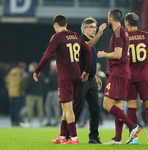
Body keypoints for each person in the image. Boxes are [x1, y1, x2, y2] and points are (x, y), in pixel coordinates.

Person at [33, 14, 92, 144]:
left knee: (67, 108)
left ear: (55, 25)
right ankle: (62, 136)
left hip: (65, 77)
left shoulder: (57, 37)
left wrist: (37, 70)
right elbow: (89, 52)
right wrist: (86, 70)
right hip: (76, 76)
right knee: (66, 107)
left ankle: (74, 138)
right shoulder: (77, 36)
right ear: (65, 24)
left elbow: (47, 55)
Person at [97, 8, 141, 145]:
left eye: (107, 16)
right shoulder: (124, 32)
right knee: (119, 107)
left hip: (118, 73)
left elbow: (117, 54)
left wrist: (103, 54)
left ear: (111, 18)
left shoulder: (117, 33)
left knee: (106, 104)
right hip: (124, 73)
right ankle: (117, 138)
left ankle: (133, 126)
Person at [66, 17, 107, 144]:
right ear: (84, 29)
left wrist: (97, 76)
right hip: (82, 79)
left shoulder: (91, 41)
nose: (94, 29)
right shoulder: (80, 40)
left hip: (91, 80)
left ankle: (93, 137)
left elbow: (91, 62)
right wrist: (100, 33)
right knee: (77, 108)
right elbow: (87, 48)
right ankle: (67, 135)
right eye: (92, 27)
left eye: (95, 27)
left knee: (95, 109)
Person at [124, 12, 148, 145]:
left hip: (129, 77)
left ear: (127, 23)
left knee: (131, 107)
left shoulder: (123, 38)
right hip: (144, 77)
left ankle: (134, 138)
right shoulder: (147, 36)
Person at [23, 62, 46, 127]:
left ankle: (29, 122)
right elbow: (44, 85)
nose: (29, 68)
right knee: (40, 109)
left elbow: (28, 85)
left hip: (31, 95)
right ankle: (41, 122)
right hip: (40, 94)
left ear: (34, 68)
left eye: (30, 67)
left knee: (30, 109)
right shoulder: (41, 75)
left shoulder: (30, 75)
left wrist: (26, 92)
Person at [5, 62, 26, 126]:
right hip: (18, 93)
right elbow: (23, 83)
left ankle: (12, 121)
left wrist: (9, 89)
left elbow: (7, 82)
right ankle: (16, 121)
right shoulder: (21, 75)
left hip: (11, 93)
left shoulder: (10, 73)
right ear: (22, 68)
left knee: (12, 108)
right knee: (17, 108)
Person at [44, 60, 61, 126]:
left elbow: (51, 82)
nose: (51, 67)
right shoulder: (53, 72)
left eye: (53, 65)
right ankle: (50, 121)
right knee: (49, 106)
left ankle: (57, 121)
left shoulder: (55, 73)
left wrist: (47, 81)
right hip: (52, 91)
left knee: (55, 107)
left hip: (55, 91)